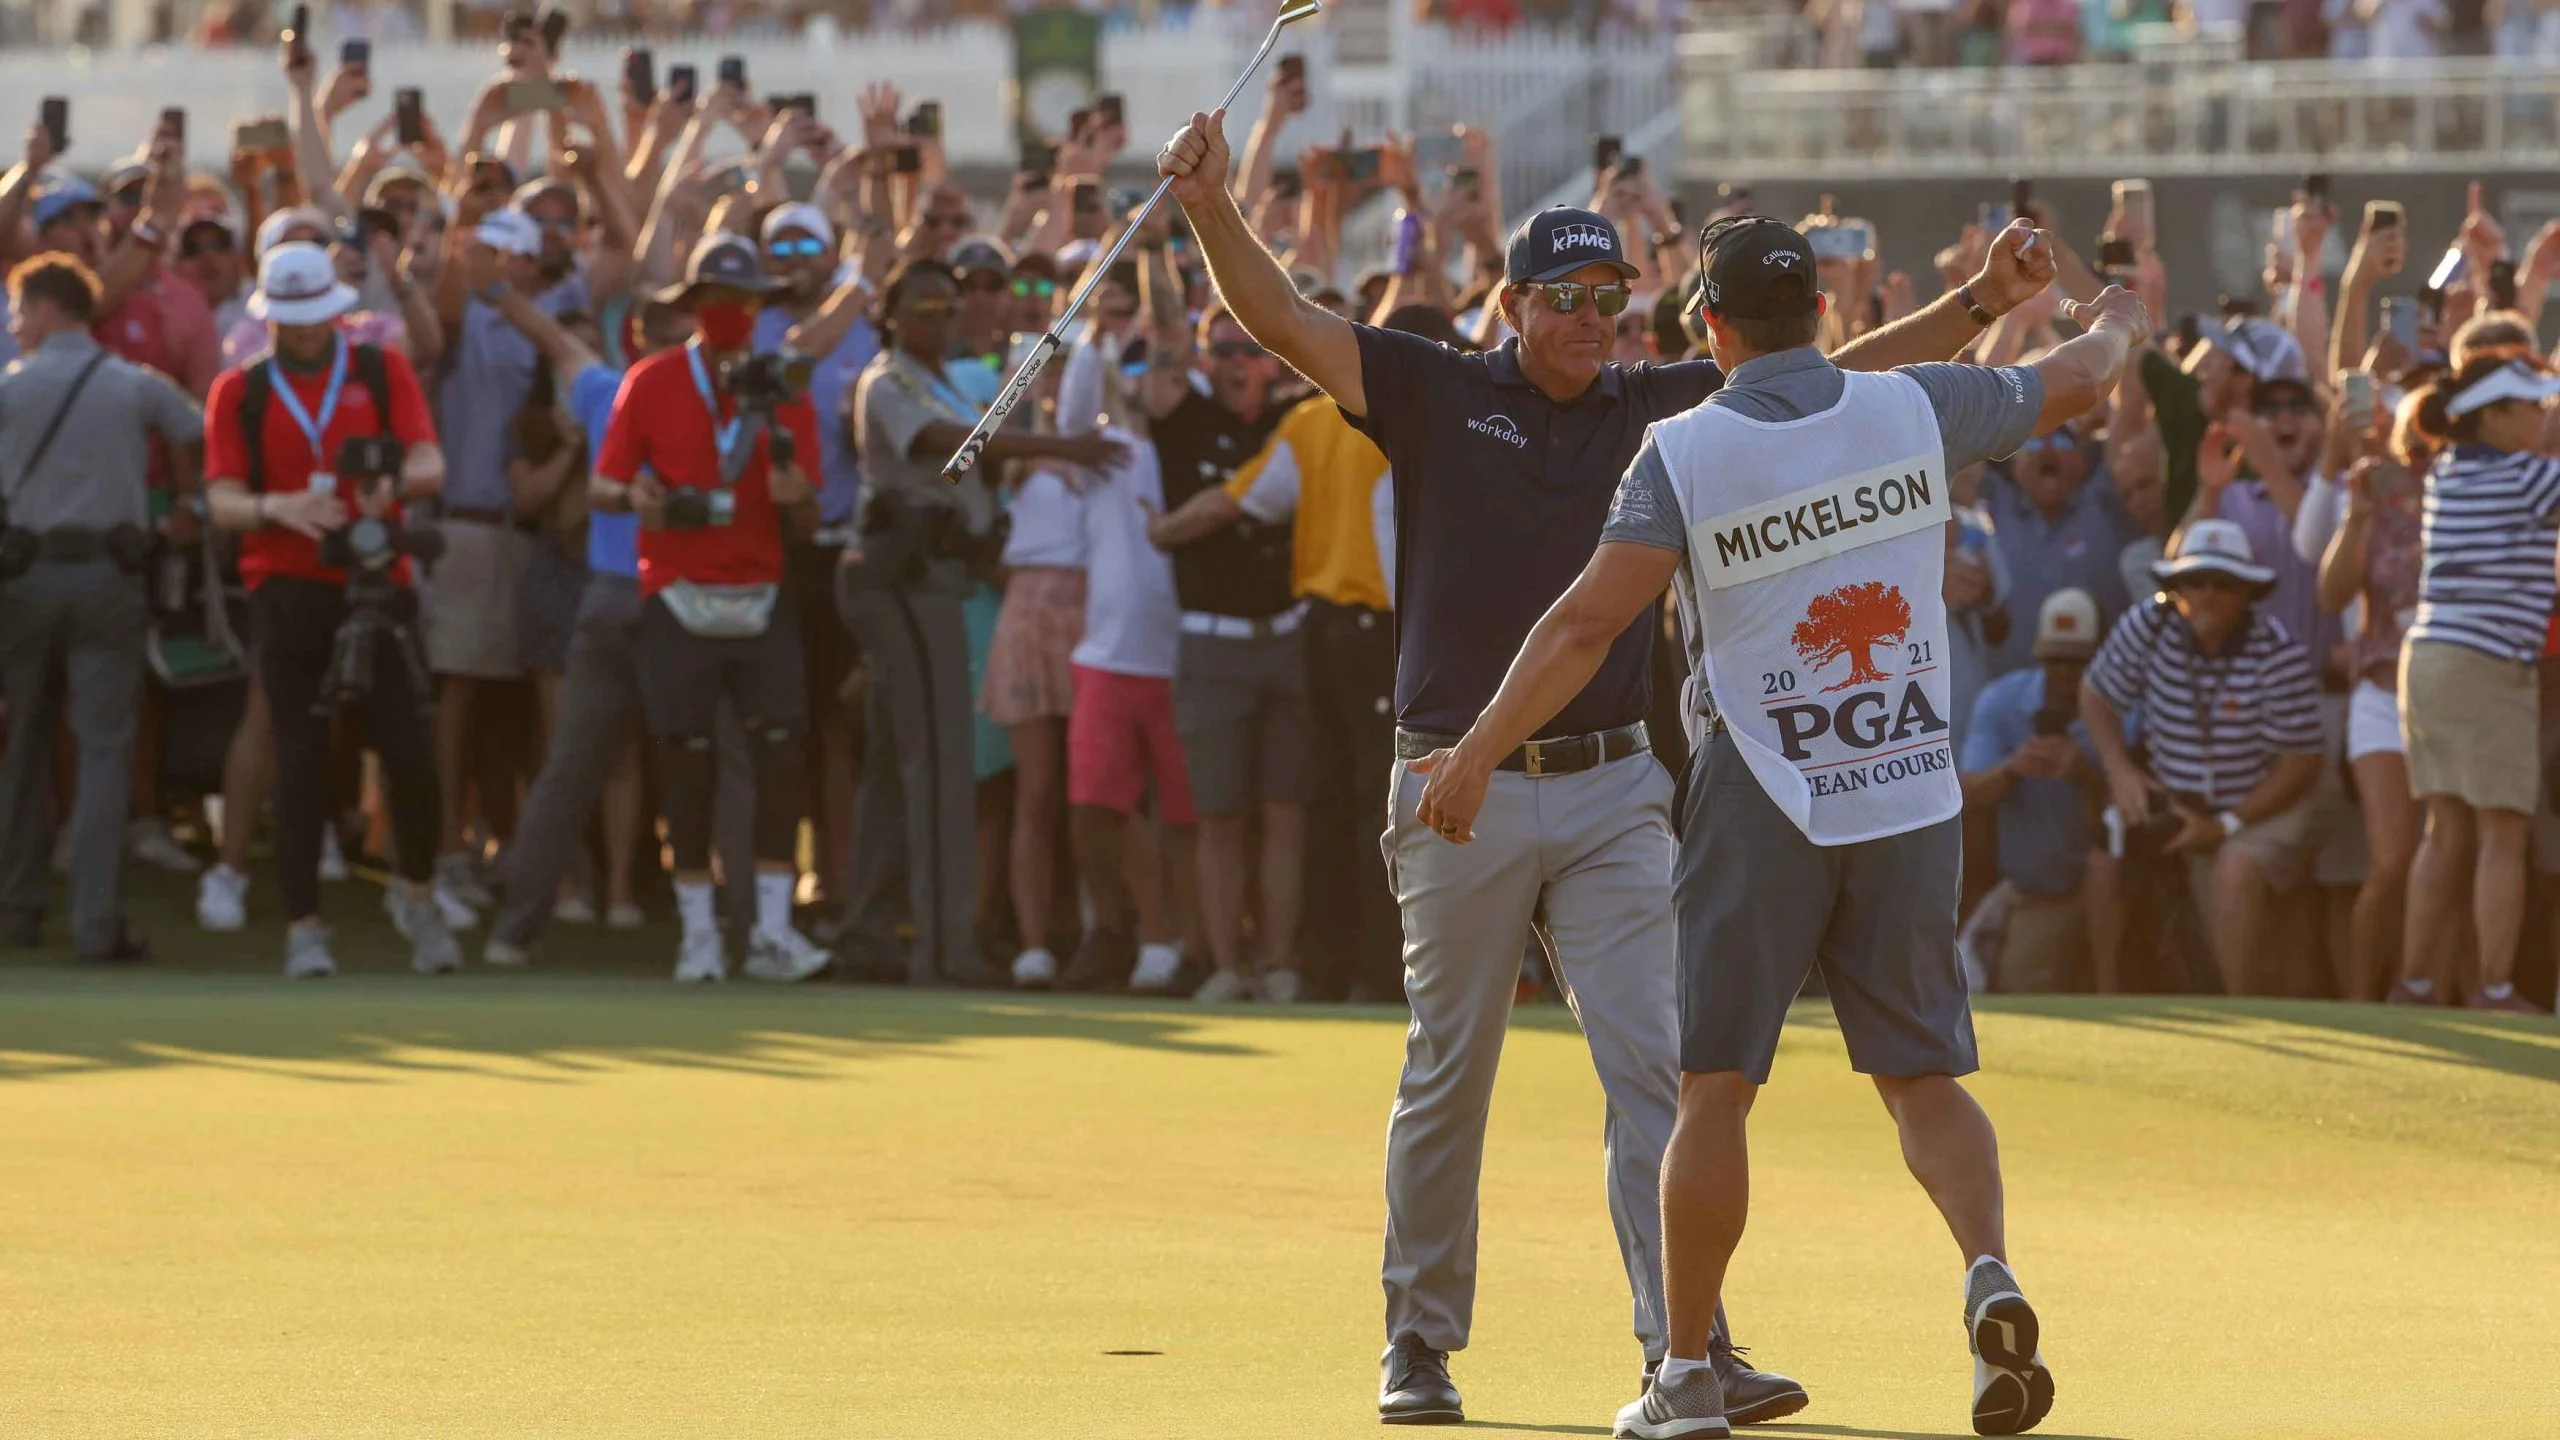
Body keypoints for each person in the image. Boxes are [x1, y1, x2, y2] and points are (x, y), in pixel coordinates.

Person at [1160, 106, 2054, 1427]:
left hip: (1613, 784)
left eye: (1611, 297)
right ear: (1511, 303)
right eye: (1567, 298)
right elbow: (1284, 320)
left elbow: (1833, 373)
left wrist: (1977, 302)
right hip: (1452, 785)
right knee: (1448, 1076)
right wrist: (1210, 208)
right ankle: (1419, 1342)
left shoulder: (1661, 406)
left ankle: (1684, 1349)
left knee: (1659, 1066)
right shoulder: (1434, 386)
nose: (1593, 319)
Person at [1410, 216, 2145, 1438]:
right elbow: (2078, 377)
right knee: (1922, 1077)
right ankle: (1988, 1273)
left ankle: (1686, 1375)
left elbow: (1586, 625)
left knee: (1712, 1090)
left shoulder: (1682, 449)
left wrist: (1479, 749)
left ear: (1711, 327)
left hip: (1762, 789)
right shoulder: (1914, 406)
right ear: (1818, 315)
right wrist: (2112, 313)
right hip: (1909, 785)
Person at [841, 259, 1119, 987]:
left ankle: (871, 933)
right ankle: (945, 950)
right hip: (903, 577)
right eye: (922, 308)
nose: (936, 319)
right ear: (892, 315)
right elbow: (958, 447)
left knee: (892, 765)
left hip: (941, 575)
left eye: (946, 306)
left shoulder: (947, 380)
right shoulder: (888, 381)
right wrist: (1062, 447)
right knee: (938, 762)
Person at [201, 241, 457, 979]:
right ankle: (304, 927)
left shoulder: (380, 370)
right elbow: (222, 498)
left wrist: (391, 486)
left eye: (316, 313)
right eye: (293, 316)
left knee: (410, 752)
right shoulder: (240, 391)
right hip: (286, 584)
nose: (307, 329)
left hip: (379, 575)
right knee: (300, 760)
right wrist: (277, 507)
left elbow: (430, 460)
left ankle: (417, 894)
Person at [1145, 306, 1414, 1002]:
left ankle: (1330, 968)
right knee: (1371, 805)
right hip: (1388, 636)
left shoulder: (1311, 422)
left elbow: (1235, 504)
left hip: (1322, 635)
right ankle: (1371, 973)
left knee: (1327, 804)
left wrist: (1164, 530)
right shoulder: (1420, 420)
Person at [590, 233, 833, 985]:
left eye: (744, 301)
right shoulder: (652, 380)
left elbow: (808, 514)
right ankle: (698, 935)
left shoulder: (785, 386)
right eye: (719, 300)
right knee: (685, 762)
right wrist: (637, 497)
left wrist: (794, 491)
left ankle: (772, 930)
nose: (732, 314)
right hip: (676, 590)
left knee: (783, 756)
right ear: (694, 307)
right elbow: (604, 483)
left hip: (762, 589)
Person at [0, 254, 205, 964]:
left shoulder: (11, 387)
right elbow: (194, 427)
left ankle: (16, 909)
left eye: (19, 310)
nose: (15, 325)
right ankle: (95, 922)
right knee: (104, 752)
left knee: (22, 748)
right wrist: (186, 504)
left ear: (47, 309)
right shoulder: (132, 384)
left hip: (25, 581)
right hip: (109, 578)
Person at [1138, 257, 1304, 1004]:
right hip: (1210, 643)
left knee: (1285, 812)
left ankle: (1279, 964)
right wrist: (1153, 247)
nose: (1239, 363)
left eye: (1251, 350)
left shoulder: (1295, 419)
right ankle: (1226, 967)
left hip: (1287, 637)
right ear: (1205, 360)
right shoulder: (1185, 419)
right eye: (1224, 350)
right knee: (1219, 815)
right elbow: (1166, 332)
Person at [2081, 519, 2326, 996]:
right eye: (2194, 581)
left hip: (2259, 805)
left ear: (2248, 592)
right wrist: (2120, 771)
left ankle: (2236, 1013)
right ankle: (2106, 999)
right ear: (2176, 586)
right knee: (2104, 854)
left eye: (2223, 583)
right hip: (2174, 797)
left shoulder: (2277, 651)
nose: (2207, 595)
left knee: (2235, 870)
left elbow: (2302, 764)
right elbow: (2095, 696)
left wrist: (2224, 825)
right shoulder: (2148, 623)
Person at [2390, 356, 2560, 1013]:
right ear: (2494, 417)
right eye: (2532, 406)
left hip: (2429, 661)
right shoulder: (2524, 476)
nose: (2543, 415)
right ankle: (2493, 990)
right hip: (2486, 666)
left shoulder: (2449, 469)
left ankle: (2414, 985)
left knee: (2447, 830)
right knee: (2503, 832)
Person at [1960, 590, 2106, 992]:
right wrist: (2013, 769)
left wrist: (2085, 777)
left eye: (2078, 662)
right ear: (2039, 657)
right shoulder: (2002, 702)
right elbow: (1965, 794)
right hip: (2037, 891)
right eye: (2055, 660)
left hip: (2112, 887)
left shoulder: (2123, 710)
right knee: (2013, 989)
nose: (2065, 673)